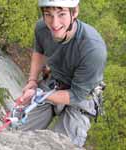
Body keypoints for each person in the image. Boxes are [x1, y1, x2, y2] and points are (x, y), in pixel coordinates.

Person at [19, 0, 107, 147]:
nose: (54, 23)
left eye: (61, 14)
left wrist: (38, 95)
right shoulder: (42, 28)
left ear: (75, 12)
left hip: (81, 97)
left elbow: (76, 95)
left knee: (59, 146)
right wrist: (32, 81)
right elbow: (39, 52)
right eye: (48, 14)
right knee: (17, 133)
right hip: (54, 83)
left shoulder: (93, 49)